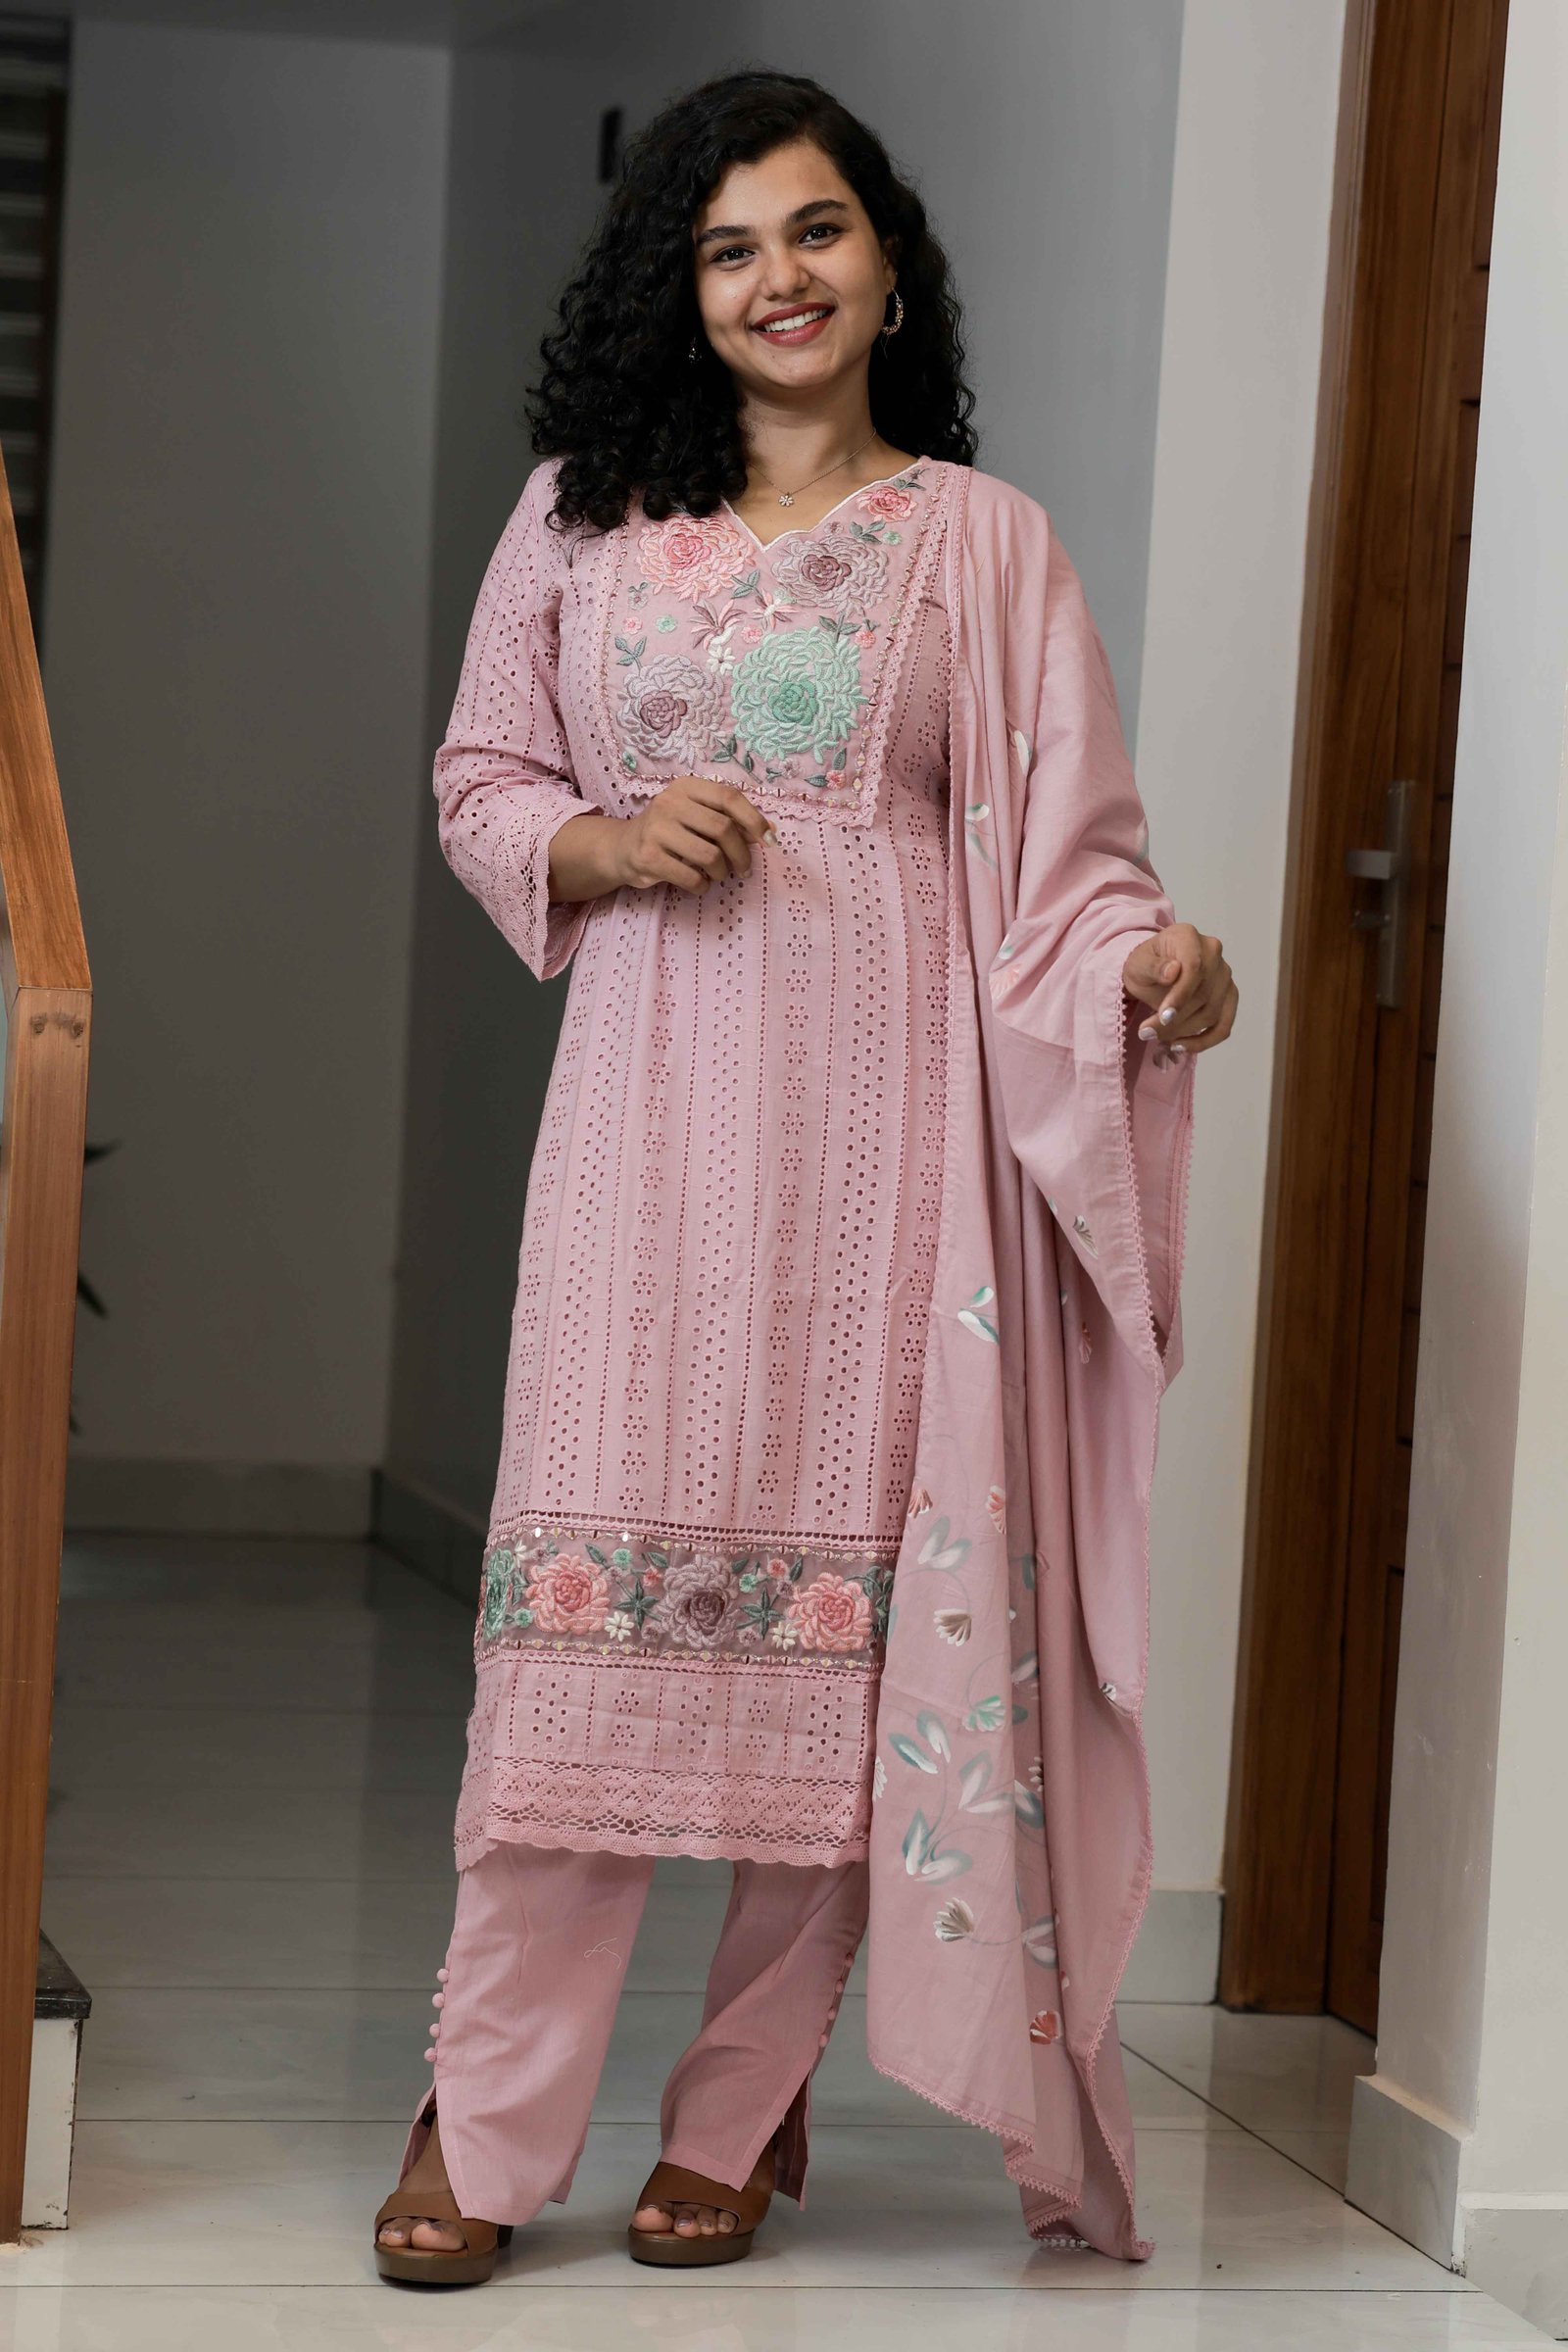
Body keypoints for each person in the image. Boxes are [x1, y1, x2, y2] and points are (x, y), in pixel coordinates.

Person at [373, 68, 1236, 2287]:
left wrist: (1151, 968)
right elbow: (479, 774)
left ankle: (739, 2113)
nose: (781, 277)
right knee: (571, 1657)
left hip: (893, 1174)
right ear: (679, 288)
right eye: (731, 245)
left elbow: (1074, 869)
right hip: (645, 1148)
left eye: (819, 230)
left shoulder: (985, 545)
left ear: (887, 265)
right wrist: (598, 838)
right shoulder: (579, 519)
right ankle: (481, 2118)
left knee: (848, 1670)